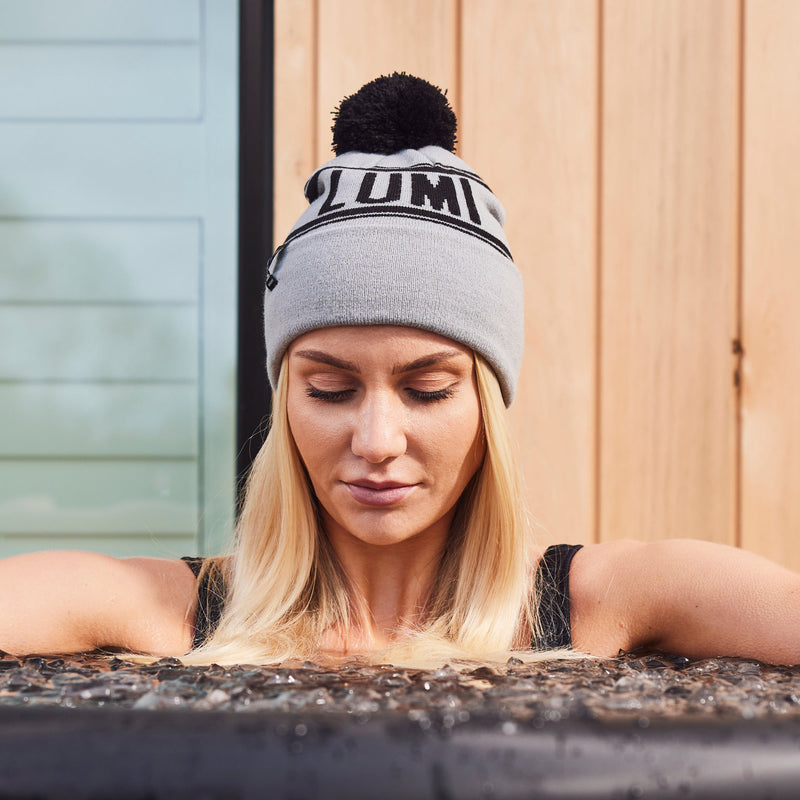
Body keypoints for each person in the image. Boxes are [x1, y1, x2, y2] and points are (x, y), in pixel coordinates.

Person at [1, 73, 798, 667]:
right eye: (329, 388)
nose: (377, 439)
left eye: (427, 389)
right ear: (285, 402)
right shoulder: (179, 613)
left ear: (486, 402)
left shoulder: (599, 605)